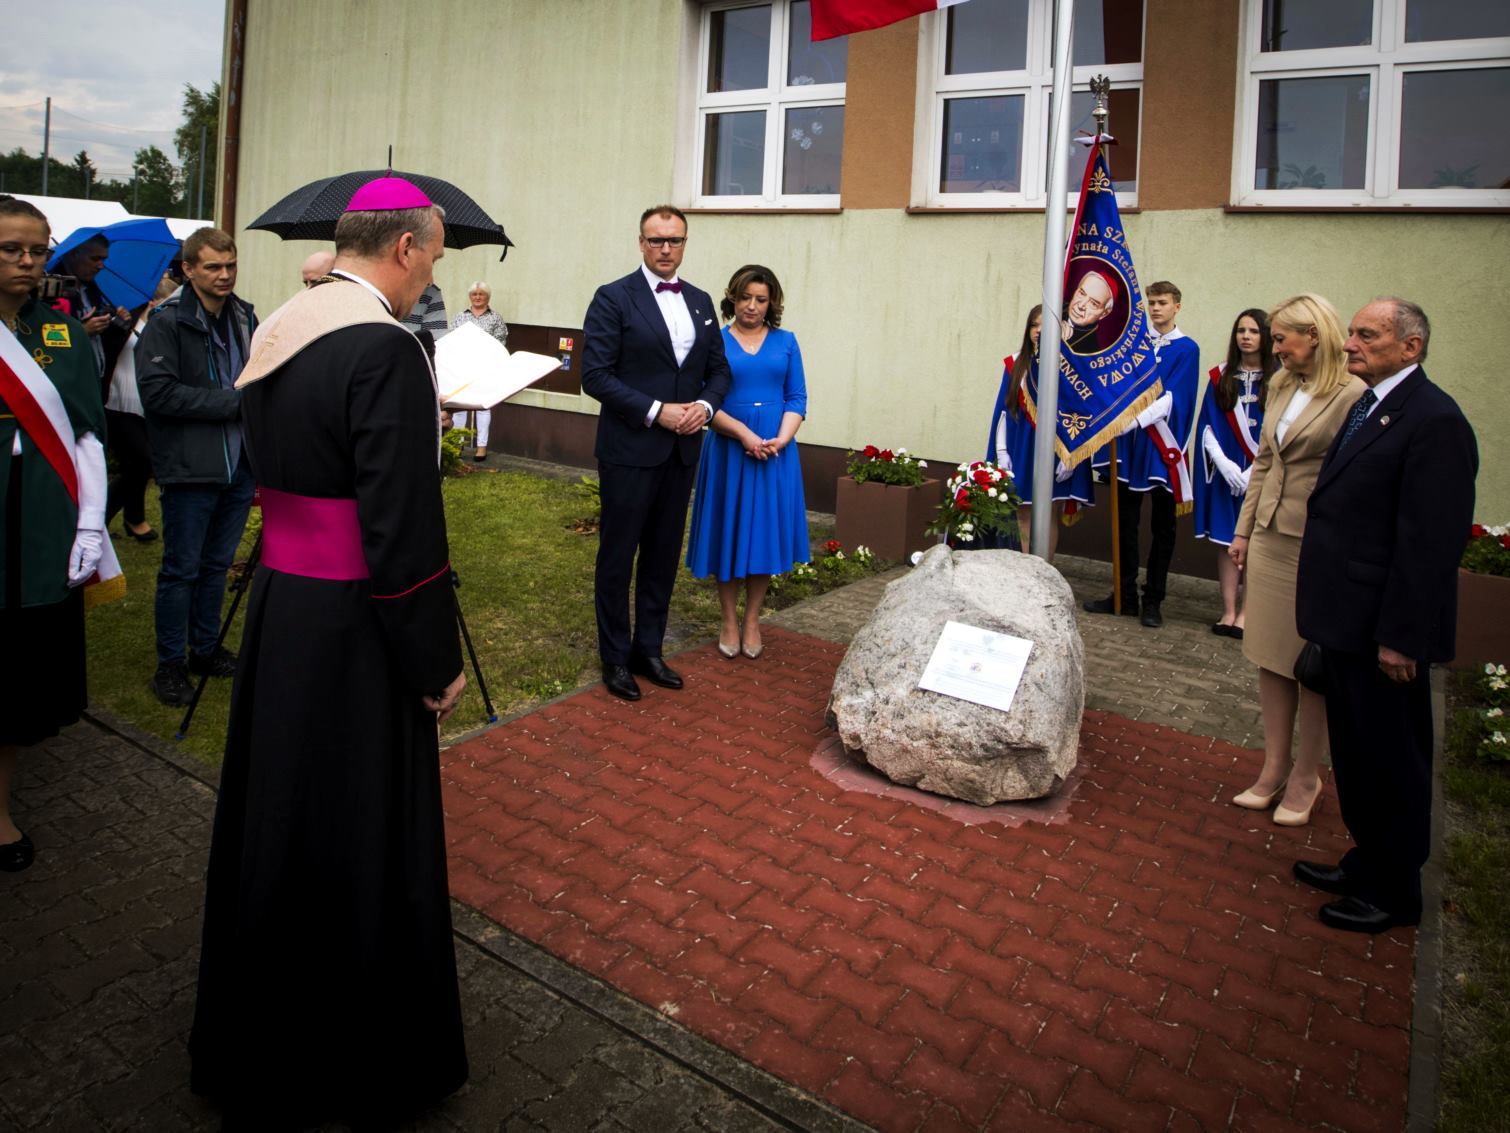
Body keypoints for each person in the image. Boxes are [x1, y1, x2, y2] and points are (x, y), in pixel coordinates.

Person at [190, 176, 468, 1121]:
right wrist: (434, 660)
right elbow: (399, 527)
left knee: (281, 811)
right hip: (359, 623)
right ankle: (352, 1051)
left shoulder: (280, 328)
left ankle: (259, 1031)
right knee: (356, 821)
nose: (433, 269)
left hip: (286, 605)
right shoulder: (386, 350)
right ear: (403, 246)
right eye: (433, 251)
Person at [1292, 299, 1477, 933]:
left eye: (1367, 336)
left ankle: (1396, 891)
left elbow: (1429, 544)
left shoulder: (1434, 420)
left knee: (1393, 758)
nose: (1351, 345)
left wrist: (1402, 637)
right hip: (1346, 620)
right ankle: (1366, 859)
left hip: (1383, 632)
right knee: (1358, 751)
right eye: (1353, 334)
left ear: (1411, 347)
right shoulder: (1372, 404)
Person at [581, 204, 732, 701]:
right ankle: (615, 658)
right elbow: (595, 376)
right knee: (618, 556)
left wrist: (706, 408)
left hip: (682, 451)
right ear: (641, 243)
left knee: (663, 555)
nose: (666, 249)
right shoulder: (613, 298)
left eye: (675, 240)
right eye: (657, 240)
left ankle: (649, 649)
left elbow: (719, 371)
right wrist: (655, 410)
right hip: (630, 449)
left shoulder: (702, 301)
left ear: (685, 244)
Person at [0, 196, 109, 872]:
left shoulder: (62, 333)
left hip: (38, 525)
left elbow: (88, 433)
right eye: (11, 249)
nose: (27, 262)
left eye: (37, 250)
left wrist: (92, 524)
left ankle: (0, 806)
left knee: (12, 676)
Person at [1227, 294, 1364, 828]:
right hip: (1269, 539)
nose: (1274, 346)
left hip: (1318, 545)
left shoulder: (1352, 394)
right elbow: (1264, 462)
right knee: (1269, 657)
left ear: (1316, 336)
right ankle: (1274, 765)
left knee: (1311, 667)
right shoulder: (1282, 385)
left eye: (1283, 338)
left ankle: (1309, 774)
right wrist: (1243, 531)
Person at [137, 228, 257, 707]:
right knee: (181, 569)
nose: (225, 275)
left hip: (238, 463)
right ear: (188, 269)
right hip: (190, 465)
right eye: (213, 267)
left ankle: (204, 649)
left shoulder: (245, 315)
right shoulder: (166, 321)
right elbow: (158, 394)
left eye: (230, 265)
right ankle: (170, 663)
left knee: (215, 566)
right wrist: (233, 404)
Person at [685, 264, 808, 659]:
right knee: (728, 533)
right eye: (745, 298)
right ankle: (727, 620)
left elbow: (797, 397)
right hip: (729, 449)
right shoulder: (713, 342)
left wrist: (783, 439)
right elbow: (704, 402)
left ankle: (753, 619)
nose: (752, 306)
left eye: (760, 299)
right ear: (732, 297)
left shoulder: (787, 341)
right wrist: (743, 434)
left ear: (771, 303)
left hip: (775, 452)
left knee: (763, 537)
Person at [1083, 280, 1199, 628]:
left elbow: (1175, 398)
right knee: (1125, 522)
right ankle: (1124, 594)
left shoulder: (1187, 349)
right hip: (1129, 448)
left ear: (1177, 305)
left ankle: (1153, 599)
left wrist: (1133, 420)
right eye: (1151, 302)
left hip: (1161, 447)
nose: (1155, 308)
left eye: (1162, 302)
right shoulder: (1134, 344)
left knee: (1163, 526)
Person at [986, 303, 1093, 560]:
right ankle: (1025, 574)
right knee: (1023, 512)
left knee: (1048, 514)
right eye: (1034, 325)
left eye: (1045, 326)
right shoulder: (1015, 363)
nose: (1038, 330)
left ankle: (1045, 572)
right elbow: (1004, 409)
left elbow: (1081, 415)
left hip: (1056, 448)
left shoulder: (1071, 367)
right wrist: (1002, 452)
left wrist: (1072, 455)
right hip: (1021, 447)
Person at [1193, 309, 1275, 637]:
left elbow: (1283, 430)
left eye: (1253, 331)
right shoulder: (1221, 377)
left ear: (1265, 337)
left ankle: (1247, 614)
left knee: (1254, 545)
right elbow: (1206, 425)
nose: (1246, 336)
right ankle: (1227, 610)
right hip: (1228, 476)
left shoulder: (1281, 379)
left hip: (1262, 476)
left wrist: (1256, 468)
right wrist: (1224, 464)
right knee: (1228, 542)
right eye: (1241, 330)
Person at [103, 273, 178, 543]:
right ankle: (101, 519)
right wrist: (115, 326)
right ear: (153, 298)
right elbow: (107, 350)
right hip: (117, 401)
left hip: (148, 403)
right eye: (167, 301)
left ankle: (134, 519)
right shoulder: (127, 318)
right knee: (141, 461)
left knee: (138, 464)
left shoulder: (167, 325)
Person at [56, 234, 132, 395]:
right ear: (74, 254)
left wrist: (115, 324)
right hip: (65, 384)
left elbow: (100, 339)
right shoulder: (51, 290)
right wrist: (82, 331)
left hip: (94, 380)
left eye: (103, 259)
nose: (100, 266)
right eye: (95, 258)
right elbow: (47, 340)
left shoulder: (92, 289)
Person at [450, 280, 509, 461]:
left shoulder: (495, 318)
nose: (477, 297)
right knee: (459, 407)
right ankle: (457, 444)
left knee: (483, 407)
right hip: (462, 366)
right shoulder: (461, 316)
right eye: (474, 294)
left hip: (485, 367)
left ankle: (481, 447)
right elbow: (452, 338)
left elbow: (501, 342)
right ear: (470, 297)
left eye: (481, 294)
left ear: (487, 297)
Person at [1063, 270, 1115, 353]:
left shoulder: (1092, 352)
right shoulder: (1054, 309)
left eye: (1093, 303)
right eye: (1082, 293)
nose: (1080, 306)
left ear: (1104, 313)